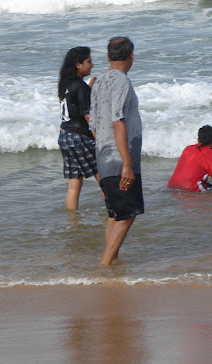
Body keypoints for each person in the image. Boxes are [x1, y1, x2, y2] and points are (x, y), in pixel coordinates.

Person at [89, 36, 144, 266]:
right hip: (118, 160)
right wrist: (127, 163)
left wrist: (104, 149)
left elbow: (92, 124)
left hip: (103, 157)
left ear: (109, 56)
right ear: (131, 55)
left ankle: (112, 262)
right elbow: (117, 120)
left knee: (114, 215)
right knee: (127, 215)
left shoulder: (98, 81)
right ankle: (105, 265)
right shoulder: (121, 81)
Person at [58, 46, 103, 210]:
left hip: (65, 136)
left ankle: (72, 222)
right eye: (89, 61)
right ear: (78, 64)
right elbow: (88, 117)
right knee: (104, 177)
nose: (92, 65)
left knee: (74, 183)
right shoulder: (80, 87)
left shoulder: (66, 84)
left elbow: (74, 107)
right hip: (79, 137)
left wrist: (88, 89)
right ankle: (113, 215)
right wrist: (101, 140)